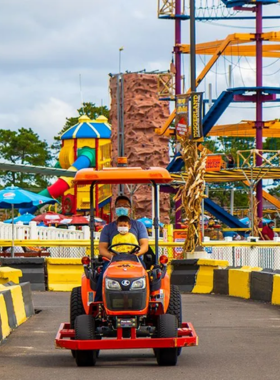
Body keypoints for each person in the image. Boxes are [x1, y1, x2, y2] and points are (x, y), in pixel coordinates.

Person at [95, 195, 149, 301]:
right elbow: (102, 249)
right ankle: (98, 302)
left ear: (130, 209)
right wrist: (111, 256)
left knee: (145, 275)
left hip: (135, 259)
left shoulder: (139, 226)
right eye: (119, 205)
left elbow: (144, 245)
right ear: (115, 209)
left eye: (125, 205)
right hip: (113, 260)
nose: (122, 207)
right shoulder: (108, 228)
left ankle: (148, 300)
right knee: (103, 275)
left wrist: (136, 254)